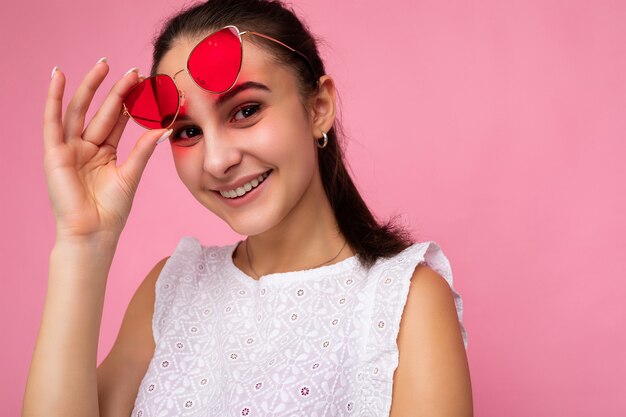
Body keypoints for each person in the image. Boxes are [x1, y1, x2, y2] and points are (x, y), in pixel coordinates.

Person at [23, 0, 472, 415]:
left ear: (318, 106)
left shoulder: (405, 300)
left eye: (246, 110)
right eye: (187, 132)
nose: (218, 161)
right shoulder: (171, 289)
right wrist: (83, 243)